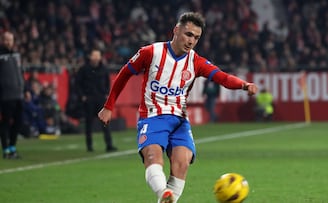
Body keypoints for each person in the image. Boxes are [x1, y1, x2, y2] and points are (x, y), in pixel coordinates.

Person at [98, 12, 258, 203]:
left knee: (182, 164)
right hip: (152, 117)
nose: (191, 41)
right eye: (188, 34)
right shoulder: (151, 52)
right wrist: (108, 106)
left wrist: (244, 85)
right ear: (176, 30)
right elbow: (124, 74)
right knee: (153, 156)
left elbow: (222, 77)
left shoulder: (196, 62)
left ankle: (166, 197)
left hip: (180, 121)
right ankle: (164, 194)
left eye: (196, 38)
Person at [76, 49, 117, 152]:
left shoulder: (104, 69)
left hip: (100, 98)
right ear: (90, 57)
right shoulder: (84, 69)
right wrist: (82, 96)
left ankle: (109, 144)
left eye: (97, 56)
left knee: (105, 122)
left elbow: (107, 82)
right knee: (89, 123)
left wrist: (107, 93)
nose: (96, 58)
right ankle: (89, 146)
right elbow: (77, 84)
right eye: (94, 55)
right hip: (89, 99)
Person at [0, 31, 24, 159]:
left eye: (11, 40)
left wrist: (24, 90)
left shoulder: (16, 55)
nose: (9, 42)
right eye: (7, 40)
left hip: (18, 94)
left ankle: (12, 147)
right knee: (5, 123)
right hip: (5, 95)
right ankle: (5, 149)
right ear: (2, 40)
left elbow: (21, 73)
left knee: (18, 122)